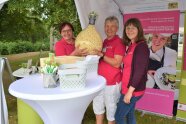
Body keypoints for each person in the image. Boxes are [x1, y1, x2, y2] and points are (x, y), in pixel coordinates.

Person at [115, 18, 149, 124]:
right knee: (129, 114)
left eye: (133, 28)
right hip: (127, 88)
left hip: (133, 91)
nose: (130, 30)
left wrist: (129, 92)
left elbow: (139, 71)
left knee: (119, 117)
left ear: (139, 29)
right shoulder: (131, 46)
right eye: (127, 28)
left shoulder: (141, 47)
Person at [93, 16, 126, 124]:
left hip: (112, 83)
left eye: (112, 26)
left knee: (111, 110)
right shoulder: (104, 42)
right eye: (107, 26)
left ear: (117, 28)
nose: (109, 29)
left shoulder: (119, 42)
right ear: (104, 27)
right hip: (99, 82)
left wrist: (102, 55)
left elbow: (117, 63)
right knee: (98, 106)